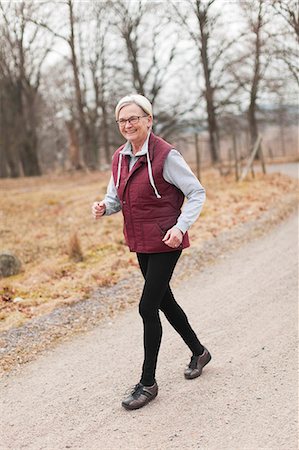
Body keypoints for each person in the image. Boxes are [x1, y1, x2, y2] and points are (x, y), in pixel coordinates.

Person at [92, 94, 211, 411]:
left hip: (166, 241)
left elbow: (196, 193)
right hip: (139, 240)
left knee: (148, 307)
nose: (127, 124)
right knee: (163, 300)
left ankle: (147, 383)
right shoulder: (120, 158)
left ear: (149, 120)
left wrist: (181, 226)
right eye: (122, 120)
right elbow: (116, 198)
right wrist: (105, 207)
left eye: (133, 118)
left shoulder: (166, 156)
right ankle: (199, 351)